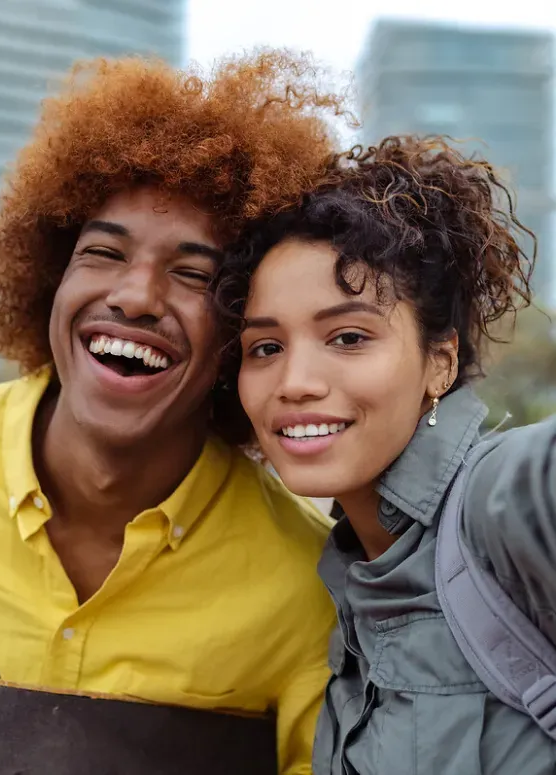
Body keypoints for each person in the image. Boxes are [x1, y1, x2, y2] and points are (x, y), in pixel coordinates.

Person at [0, 51, 346, 773]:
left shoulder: (306, 585)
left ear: (244, 330)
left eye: (192, 273)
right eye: (103, 252)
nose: (134, 297)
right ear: (52, 274)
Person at [217, 136, 556, 773]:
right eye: (265, 348)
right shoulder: (346, 584)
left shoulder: (497, 507)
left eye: (348, 337)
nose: (294, 382)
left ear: (440, 362)